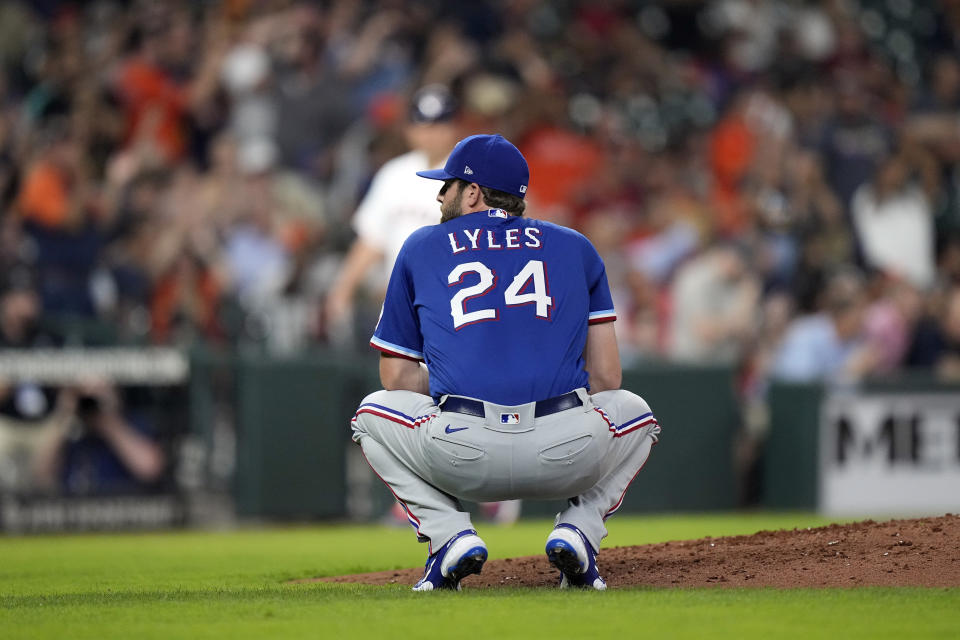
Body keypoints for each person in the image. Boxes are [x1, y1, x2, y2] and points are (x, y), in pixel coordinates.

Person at [350, 134, 661, 591]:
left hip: (462, 453)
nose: (439, 195)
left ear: (472, 192)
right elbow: (607, 376)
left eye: (448, 184)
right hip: (567, 450)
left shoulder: (421, 246)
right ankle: (579, 529)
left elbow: (396, 377)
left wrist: (460, 395)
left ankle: (449, 535)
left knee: (370, 414)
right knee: (636, 411)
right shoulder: (576, 246)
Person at [324, 85, 461, 338]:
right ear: (409, 128)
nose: (430, 133)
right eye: (423, 124)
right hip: (401, 308)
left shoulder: (472, 179)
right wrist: (343, 288)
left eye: (439, 124)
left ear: (454, 127)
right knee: (398, 376)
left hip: (454, 308)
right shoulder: (395, 174)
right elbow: (373, 240)